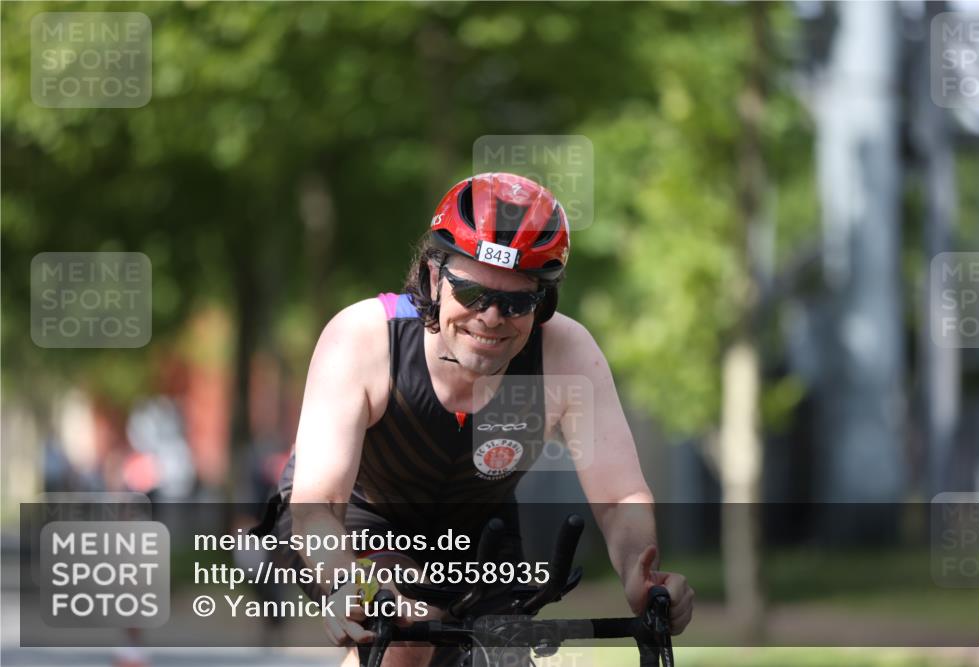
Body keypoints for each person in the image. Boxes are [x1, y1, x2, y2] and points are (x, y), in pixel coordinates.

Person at [269, 172, 694, 666]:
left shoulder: (566, 355)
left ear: (544, 301)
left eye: (516, 303)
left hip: (477, 532)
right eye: (471, 294)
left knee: (505, 656)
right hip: (351, 520)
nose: (491, 318)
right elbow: (318, 506)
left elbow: (620, 496)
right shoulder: (364, 339)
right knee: (407, 638)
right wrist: (349, 583)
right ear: (434, 277)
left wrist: (639, 575)